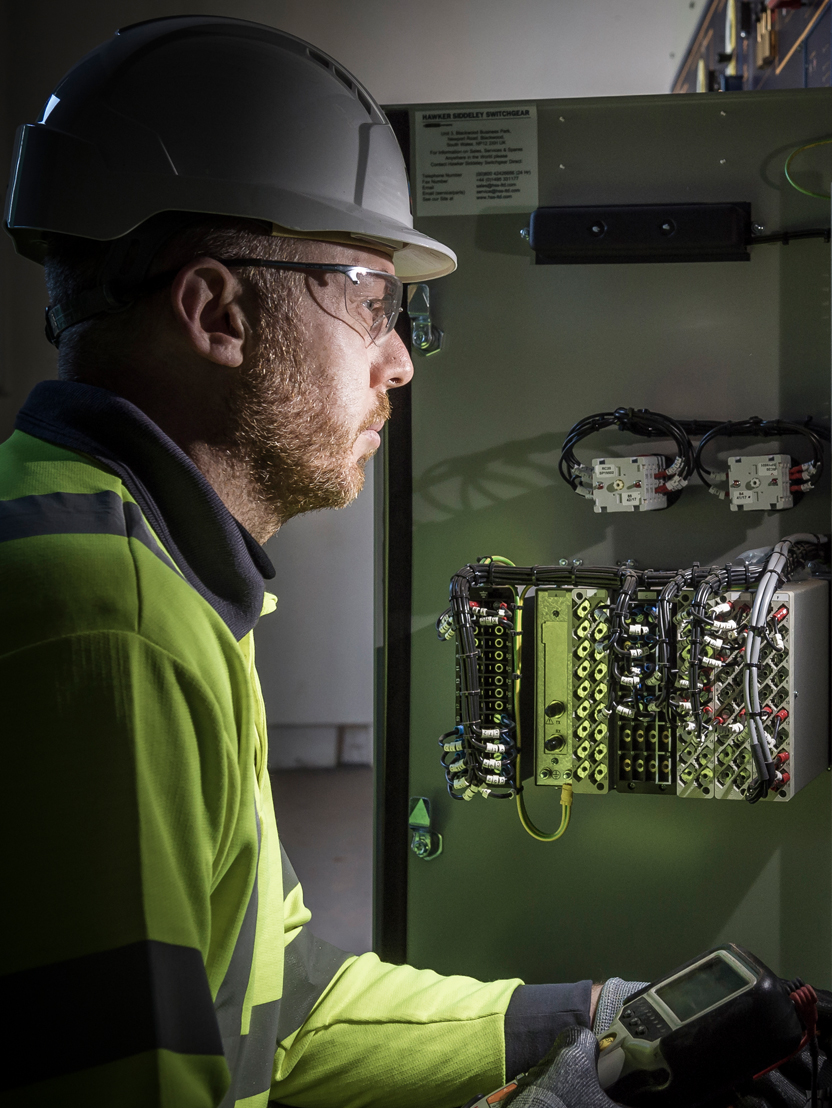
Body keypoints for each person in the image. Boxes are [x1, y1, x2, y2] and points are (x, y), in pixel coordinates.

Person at [1, 15, 827, 1108]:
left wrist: (588, 1019)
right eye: (368, 300)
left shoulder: (153, 569)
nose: (400, 360)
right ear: (216, 311)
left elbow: (287, 1013)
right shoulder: (105, 621)